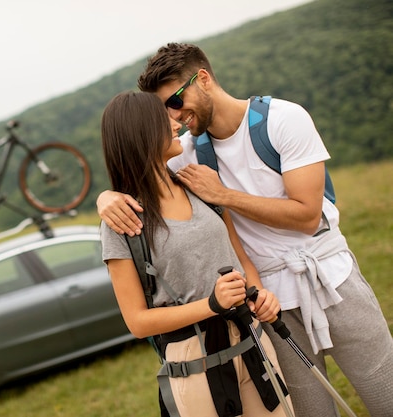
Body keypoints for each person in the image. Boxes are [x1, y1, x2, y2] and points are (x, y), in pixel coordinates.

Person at [97, 43, 393, 417]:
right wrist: (106, 198)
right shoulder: (185, 152)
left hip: (329, 278)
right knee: (310, 411)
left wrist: (224, 195)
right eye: (163, 111)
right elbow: (142, 168)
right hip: (269, 303)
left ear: (202, 78)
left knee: (386, 393)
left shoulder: (282, 119)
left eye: (175, 100)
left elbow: (306, 215)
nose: (174, 116)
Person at [100, 90, 293, 417]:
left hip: (252, 340)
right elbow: (138, 322)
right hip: (194, 364)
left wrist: (259, 294)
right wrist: (211, 305)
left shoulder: (201, 185)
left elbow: (240, 259)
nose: (175, 123)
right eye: (165, 120)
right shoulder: (124, 220)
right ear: (143, 132)